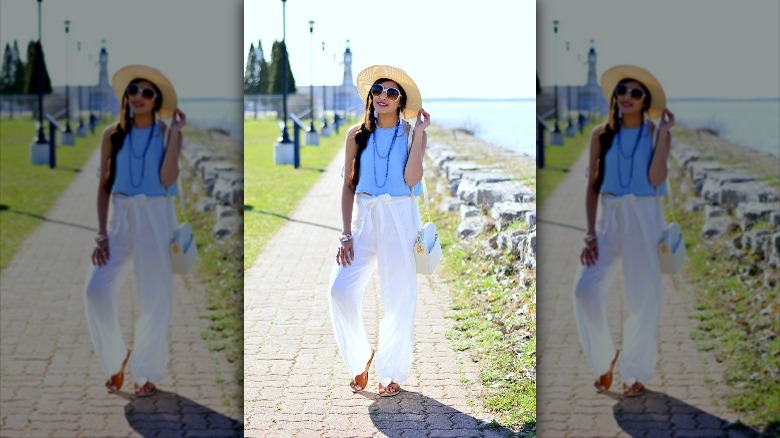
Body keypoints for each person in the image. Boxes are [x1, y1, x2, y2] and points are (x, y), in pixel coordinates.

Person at [84, 64, 186, 398]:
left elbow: (168, 179)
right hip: (120, 217)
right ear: (125, 97)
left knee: (154, 300)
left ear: (157, 101)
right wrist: (101, 233)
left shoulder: (167, 133)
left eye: (147, 92)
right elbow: (103, 186)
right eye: (133, 90)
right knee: (95, 291)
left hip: (156, 216)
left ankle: (146, 373)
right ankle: (115, 360)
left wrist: (174, 134)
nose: (138, 96)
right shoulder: (112, 135)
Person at [573, 65, 675, 398]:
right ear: (614, 97)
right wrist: (590, 233)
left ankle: (634, 373)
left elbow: (657, 178)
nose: (627, 97)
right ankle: (604, 360)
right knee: (584, 291)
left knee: (643, 299)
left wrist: (662, 134)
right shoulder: (601, 135)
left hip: (645, 216)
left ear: (645, 101)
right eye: (622, 91)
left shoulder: (657, 133)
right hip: (609, 218)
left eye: (635, 93)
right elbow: (592, 186)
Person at [328, 65, 429, 397]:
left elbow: (412, 179)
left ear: (401, 102)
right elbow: (347, 186)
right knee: (340, 291)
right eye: (378, 91)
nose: (383, 96)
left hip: (400, 216)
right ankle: (360, 358)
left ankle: (391, 371)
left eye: (392, 92)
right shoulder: (356, 135)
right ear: (370, 97)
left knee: (399, 298)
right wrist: (345, 233)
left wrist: (421, 135)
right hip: (365, 217)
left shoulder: (412, 133)